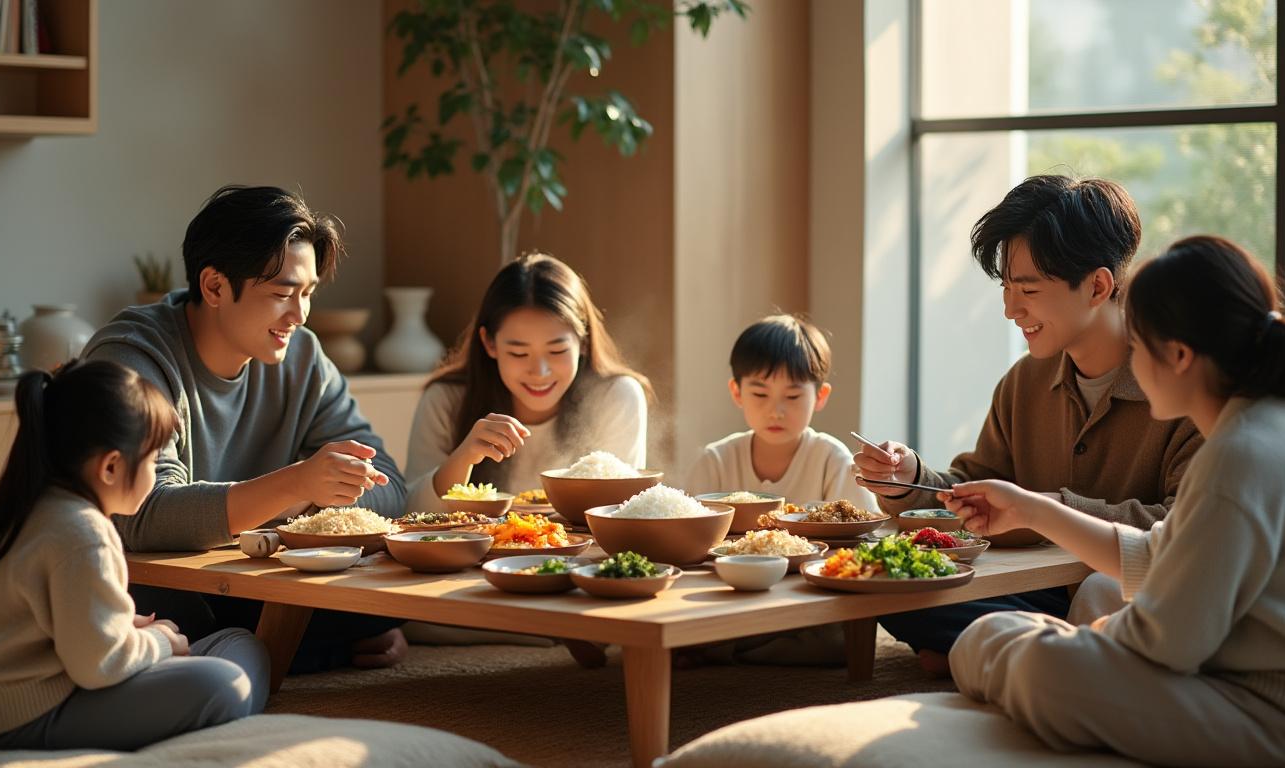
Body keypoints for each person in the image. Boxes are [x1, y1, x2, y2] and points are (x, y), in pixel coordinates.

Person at [943, 236, 1285, 765]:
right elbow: (1163, 556)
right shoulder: (1283, 424)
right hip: (1256, 685)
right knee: (1029, 622)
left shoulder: (1238, 456)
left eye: (1138, 349)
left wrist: (1089, 638)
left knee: (1014, 656)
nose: (1132, 364)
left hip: (1275, 713)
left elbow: (1168, 644)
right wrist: (1033, 510)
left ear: (1180, 356)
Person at [854, 175, 1202, 673]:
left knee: (1108, 598)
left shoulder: (1182, 386)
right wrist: (907, 479)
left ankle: (993, 654)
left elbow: (1184, 535)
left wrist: (1052, 511)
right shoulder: (1025, 381)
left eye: (1029, 289)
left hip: (1136, 599)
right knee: (894, 586)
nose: (1010, 309)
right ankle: (1008, 653)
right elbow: (973, 487)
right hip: (1036, 596)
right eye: (1006, 287)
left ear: (1098, 286)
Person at [85, 185, 407, 671]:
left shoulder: (302, 357)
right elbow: (143, 516)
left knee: (378, 599)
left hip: (245, 576)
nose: (299, 316)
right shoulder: (134, 358)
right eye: (282, 294)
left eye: (308, 294)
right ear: (214, 287)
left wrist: (307, 496)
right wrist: (296, 484)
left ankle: (270, 647)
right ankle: (276, 649)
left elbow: (388, 481)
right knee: (180, 612)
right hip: (151, 580)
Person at [0, 361, 269, 750]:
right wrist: (161, 640)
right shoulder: (82, 531)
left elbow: (41, 622)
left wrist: (121, 626)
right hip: (29, 715)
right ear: (112, 466)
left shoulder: (27, 507)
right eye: (151, 461)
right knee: (225, 683)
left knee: (236, 641)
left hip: (12, 701)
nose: (155, 473)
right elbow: (99, 665)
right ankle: (224, 715)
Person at [406, 252, 651, 510]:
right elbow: (410, 511)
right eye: (518, 353)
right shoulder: (446, 399)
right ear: (489, 343)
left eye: (556, 351)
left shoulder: (614, 396)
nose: (539, 371)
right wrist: (464, 457)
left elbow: (622, 511)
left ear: (584, 341)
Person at [686, 313, 874, 509]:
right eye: (760, 394)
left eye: (792, 396)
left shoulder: (832, 461)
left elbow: (865, 528)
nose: (775, 412)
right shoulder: (715, 462)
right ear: (737, 392)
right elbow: (687, 526)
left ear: (820, 396)